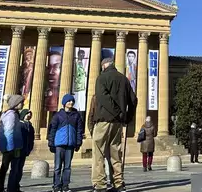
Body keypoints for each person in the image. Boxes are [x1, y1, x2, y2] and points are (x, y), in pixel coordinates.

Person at [92, 57, 137, 192]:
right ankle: (118, 183)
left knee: (98, 152)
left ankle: (100, 184)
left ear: (104, 65)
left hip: (104, 120)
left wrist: (116, 112)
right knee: (115, 153)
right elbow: (133, 100)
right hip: (118, 123)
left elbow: (103, 97)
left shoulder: (101, 78)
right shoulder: (124, 79)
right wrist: (127, 117)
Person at [48, 94, 84, 192]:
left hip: (70, 144)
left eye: (72, 101)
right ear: (64, 103)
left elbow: (79, 130)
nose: (71, 102)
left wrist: (78, 142)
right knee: (57, 167)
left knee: (67, 167)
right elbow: (52, 130)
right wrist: (51, 143)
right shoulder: (58, 116)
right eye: (69, 101)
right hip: (59, 144)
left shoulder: (76, 115)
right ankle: (56, 185)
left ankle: (65, 185)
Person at [0, 95, 25, 192]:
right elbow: (8, 132)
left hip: (11, 145)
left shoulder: (9, 114)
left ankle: (8, 188)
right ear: (15, 103)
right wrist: (11, 148)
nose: (22, 104)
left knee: (5, 168)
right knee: (11, 168)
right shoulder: (11, 115)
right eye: (21, 102)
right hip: (12, 147)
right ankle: (7, 189)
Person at [17, 109, 36, 191]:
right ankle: (12, 187)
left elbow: (32, 138)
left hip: (25, 149)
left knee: (20, 168)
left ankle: (16, 185)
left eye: (30, 114)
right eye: (27, 113)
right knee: (15, 169)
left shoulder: (30, 126)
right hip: (18, 149)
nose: (29, 115)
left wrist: (30, 147)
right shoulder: (19, 124)